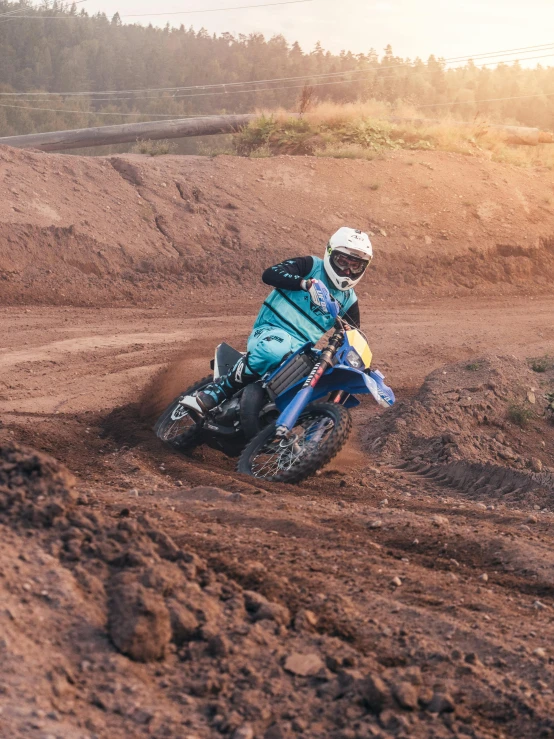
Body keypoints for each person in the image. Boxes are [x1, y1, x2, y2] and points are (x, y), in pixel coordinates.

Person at [183, 227, 373, 414]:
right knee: (275, 349)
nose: (347, 271)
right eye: (342, 262)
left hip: (300, 349)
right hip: (270, 329)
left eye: (355, 266)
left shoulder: (349, 300)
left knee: (324, 376)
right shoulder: (310, 266)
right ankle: (218, 391)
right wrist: (304, 284)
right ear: (330, 253)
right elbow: (270, 274)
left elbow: (354, 336)